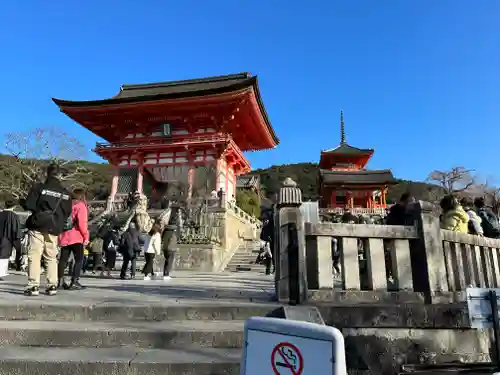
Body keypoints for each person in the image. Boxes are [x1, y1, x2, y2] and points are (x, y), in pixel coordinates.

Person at [22, 164, 72, 296]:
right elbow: (67, 212)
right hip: (54, 227)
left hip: (38, 224)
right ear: (59, 175)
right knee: (51, 256)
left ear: (47, 174)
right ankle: (52, 285)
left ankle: (33, 286)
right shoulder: (66, 193)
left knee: (35, 254)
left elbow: (29, 205)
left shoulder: (39, 188)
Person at [57, 189, 89, 290]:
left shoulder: (65, 204)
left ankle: (60, 281)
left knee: (63, 259)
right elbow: (82, 224)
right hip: (76, 236)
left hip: (64, 235)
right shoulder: (81, 206)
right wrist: (86, 236)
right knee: (79, 259)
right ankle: (74, 280)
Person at [0, 200, 21, 279]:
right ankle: (1, 273)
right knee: (3, 256)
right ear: (14, 206)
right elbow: (15, 230)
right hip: (7, 238)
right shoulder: (13, 216)